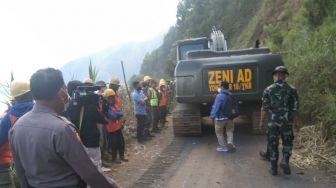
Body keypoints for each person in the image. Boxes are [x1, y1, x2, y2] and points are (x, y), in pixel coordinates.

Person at [8, 68, 120, 188]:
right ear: (60, 93)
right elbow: (90, 172)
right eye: (64, 89)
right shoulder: (61, 129)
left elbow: (21, 173)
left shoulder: (16, 128)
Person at [259, 66, 299, 176]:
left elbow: (265, 108)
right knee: (287, 143)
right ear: (285, 75)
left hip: (273, 122)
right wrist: (295, 122)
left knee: (273, 144)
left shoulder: (268, 89)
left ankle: (274, 169)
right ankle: (285, 161)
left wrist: (261, 121)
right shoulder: (292, 89)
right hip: (287, 122)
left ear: (275, 75)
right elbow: (295, 108)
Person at [0, 80, 34, 187]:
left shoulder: (8, 117)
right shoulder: (41, 110)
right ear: (30, 94)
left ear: (14, 98)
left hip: (17, 162)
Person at [103, 89, 128, 163]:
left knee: (121, 143)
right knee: (114, 144)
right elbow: (112, 116)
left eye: (112, 97)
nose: (112, 99)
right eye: (110, 98)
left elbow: (121, 112)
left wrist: (118, 114)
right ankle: (114, 158)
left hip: (118, 127)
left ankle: (121, 156)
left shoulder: (115, 105)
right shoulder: (106, 108)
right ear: (106, 98)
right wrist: (118, 114)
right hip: (111, 129)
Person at [210, 81, 236, 152]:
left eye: (219, 86)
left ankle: (223, 147)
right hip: (230, 117)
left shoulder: (219, 96)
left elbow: (216, 107)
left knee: (219, 133)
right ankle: (230, 142)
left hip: (220, 118)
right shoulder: (231, 95)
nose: (219, 87)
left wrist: (212, 116)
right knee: (230, 130)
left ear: (222, 87)